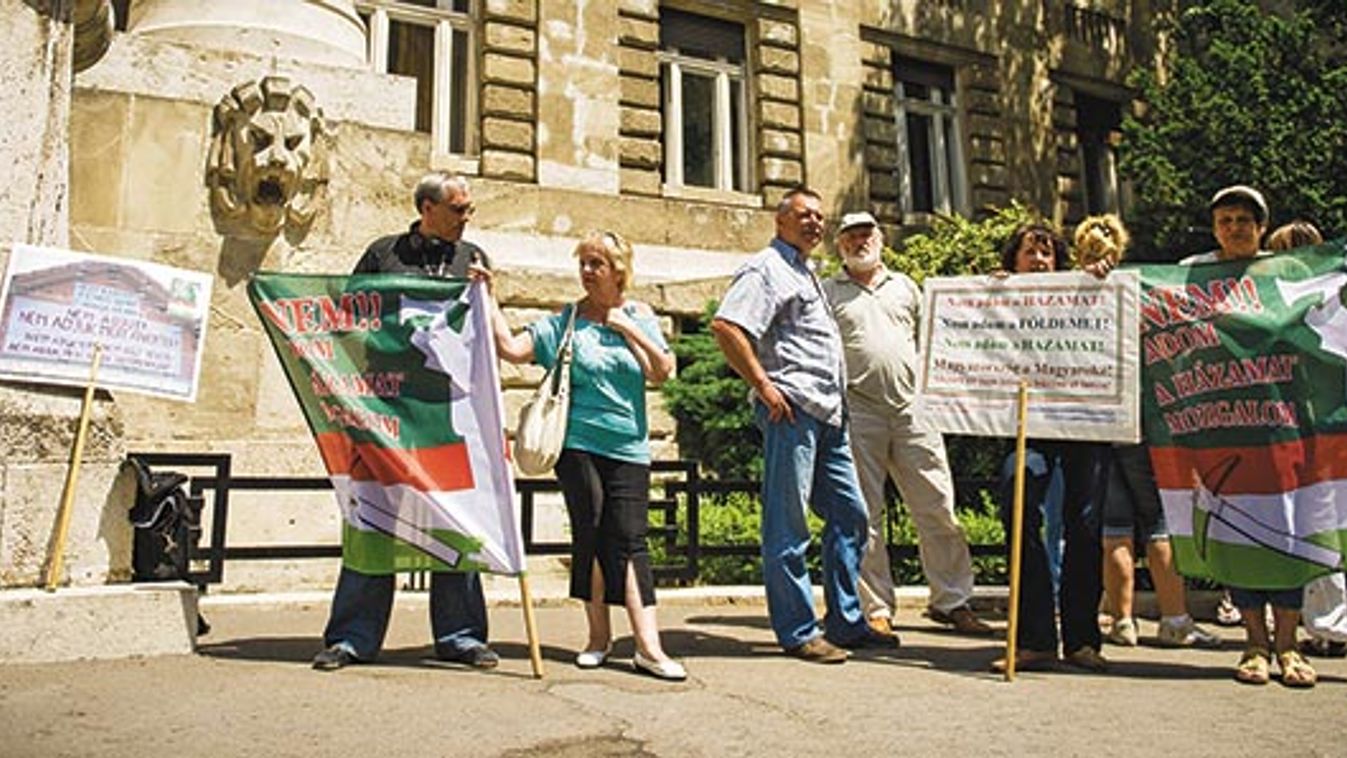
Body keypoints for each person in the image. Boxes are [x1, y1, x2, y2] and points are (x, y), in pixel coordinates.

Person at [313, 171, 498, 671]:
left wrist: (489, 296)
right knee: (371, 517)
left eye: (468, 210)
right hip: (386, 412)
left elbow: (484, 341)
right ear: (426, 208)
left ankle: (461, 635)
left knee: (457, 520)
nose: (466, 219)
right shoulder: (383, 253)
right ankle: (352, 637)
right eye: (458, 209)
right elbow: (348, 320)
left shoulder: (472, 259)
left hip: (444, 411)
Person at [484, 230, 687, 681]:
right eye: (584, 263)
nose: (587, 271)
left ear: (618, 270)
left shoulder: (639, 314)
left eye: (596, 263)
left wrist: (628, 328)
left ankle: (648, 647)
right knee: (592, 529)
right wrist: (490, 298)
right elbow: (512, 349)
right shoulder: (567, 320)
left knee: (631, 539)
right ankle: (598, 638)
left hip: (628, 446)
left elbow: (663, 372)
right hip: (576, 443)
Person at [711, 186, 888, 664]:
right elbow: (728, 327)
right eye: (804, 215)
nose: (815, 223)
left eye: (819, 216)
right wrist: (765, 387)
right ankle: (797, 631)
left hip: (830, 415)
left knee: (851, 516)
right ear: (780, 219)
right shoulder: (765, 268)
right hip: (792, 412)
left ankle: (847, 622)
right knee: (788, 526)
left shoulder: (806, 273)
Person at [820, 211, 991, 639]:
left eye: (867, 234)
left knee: (937, 504)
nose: (860, 241)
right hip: (858, 410)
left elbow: (940, 335)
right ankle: (875, 608)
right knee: (865, 515)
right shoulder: (828, 292)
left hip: (915, 408)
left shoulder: (906, 287)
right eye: (851, 236)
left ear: (880, 239)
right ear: (839, 244)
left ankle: (952, 601)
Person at [1181, 186, 1316, 687]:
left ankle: (1290, 644)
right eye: (1224, 219)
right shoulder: (1193, 274)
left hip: (1284, 423)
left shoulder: (1288, 274)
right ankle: (1254, 644)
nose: (1233, 227)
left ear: (1262, 227)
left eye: (1243, 219)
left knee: (1287, 533)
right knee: (1237, 532)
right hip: (1220, 425)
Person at [1073, 215, 1221, 650]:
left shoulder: (1063, 296)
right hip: (1138, 421)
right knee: (1157, 520)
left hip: (1093, 425)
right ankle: (1175, 619)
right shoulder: (1137, 293)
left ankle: (1121, 620)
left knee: (1114, 526)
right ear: (1118, 251)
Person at [990, 223, 1111, 673]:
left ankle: (1081, 639)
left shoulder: (1086, 290)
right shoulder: (996, 297)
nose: (1039, 260)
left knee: (1084, 523)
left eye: (1046, 253)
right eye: (1028, 252)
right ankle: (1036, 637)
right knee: (1018, 502)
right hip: (1028, 427)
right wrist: (986, 293)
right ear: (1013, 261)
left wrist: (1102, 281)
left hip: (1084, 422)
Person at [1266, 220, 1345, 660]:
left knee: (1323, 522)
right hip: (1297, 426)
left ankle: (1330, 626)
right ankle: (1322, 623)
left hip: (1324, 426)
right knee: (1309, 525)